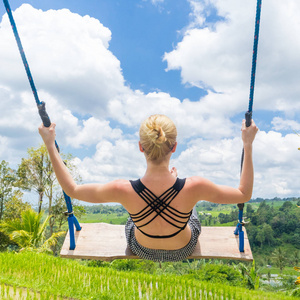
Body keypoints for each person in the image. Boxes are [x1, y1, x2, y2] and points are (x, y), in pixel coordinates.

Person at [39, 114, 258, 262]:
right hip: (183, 249)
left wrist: (50, 145)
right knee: (191, 210)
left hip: (142, 249)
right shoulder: (195, 186)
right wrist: (247, 144)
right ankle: (173, 185)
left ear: (140, 147)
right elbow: (243, 194)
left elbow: (72, 189)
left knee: (132, 219)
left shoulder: (122, 189)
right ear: (174, 147)